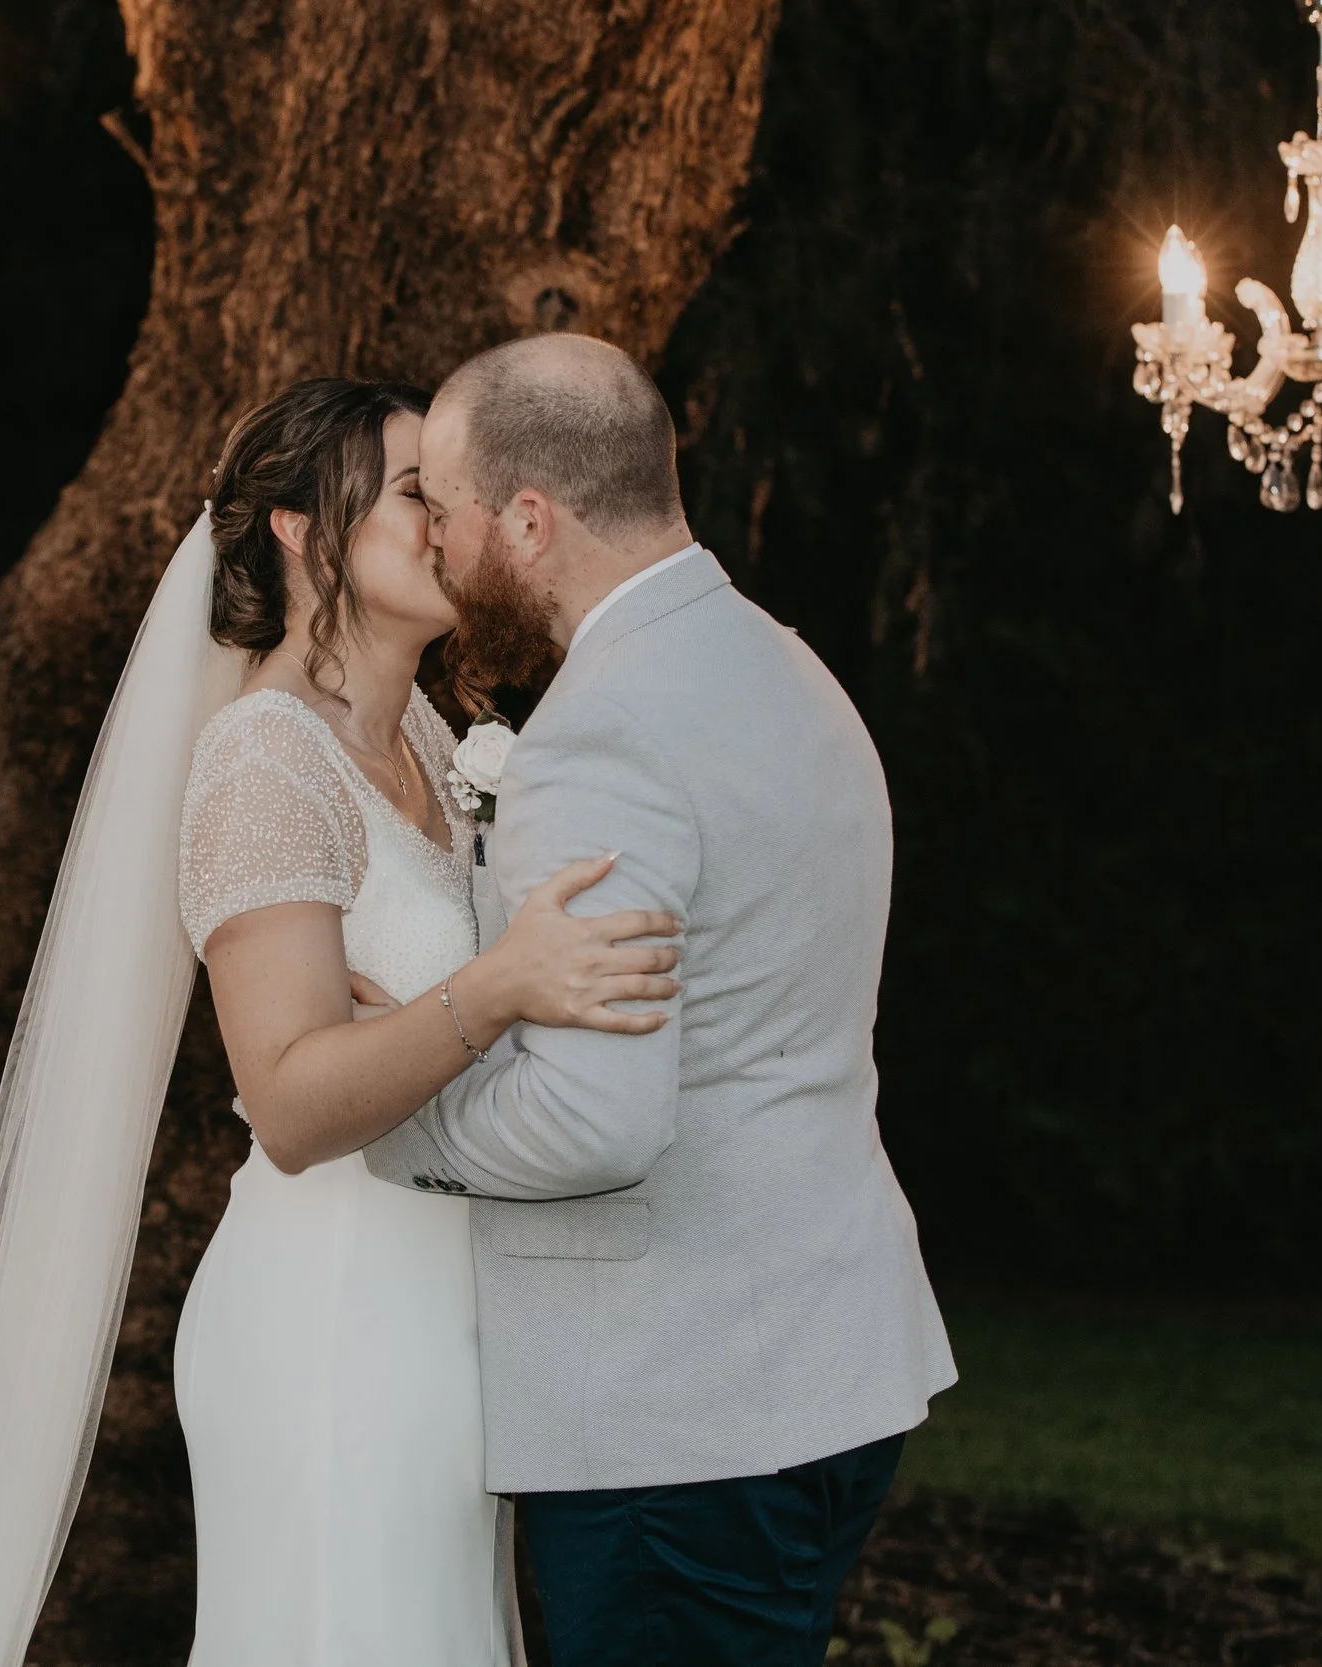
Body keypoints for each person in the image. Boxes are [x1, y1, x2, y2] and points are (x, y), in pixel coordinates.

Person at [0, 376, 677, 1667]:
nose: (449, 525)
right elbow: (289, 1104)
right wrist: (497, 987)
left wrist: (453, 1019)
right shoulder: (265, 755)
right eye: (414, 494)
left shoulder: (448, 755)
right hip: (333, 1318)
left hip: (448, 1321)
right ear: (296, 527)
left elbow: (428, 1049)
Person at [362, 332, 957, 1666]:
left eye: (448, 514)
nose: (442, 551)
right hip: (825, 1368)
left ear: (528, 517)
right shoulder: (788, 670)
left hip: (680, 1420)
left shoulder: (601, 739)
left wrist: (386, 1127)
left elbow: (594, 1126)